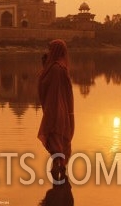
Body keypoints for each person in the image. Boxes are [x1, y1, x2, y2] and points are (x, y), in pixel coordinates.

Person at [38, 39, 75, 182]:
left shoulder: (54, 68)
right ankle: (61, 168)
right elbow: (67, 91)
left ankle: (56, 167)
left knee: (54, 138)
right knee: (60, 137)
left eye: (50, 49)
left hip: (54, 110)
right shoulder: (61, 67)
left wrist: (44, 67)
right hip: (63, 110)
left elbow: (43, 85)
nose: (48, 51)